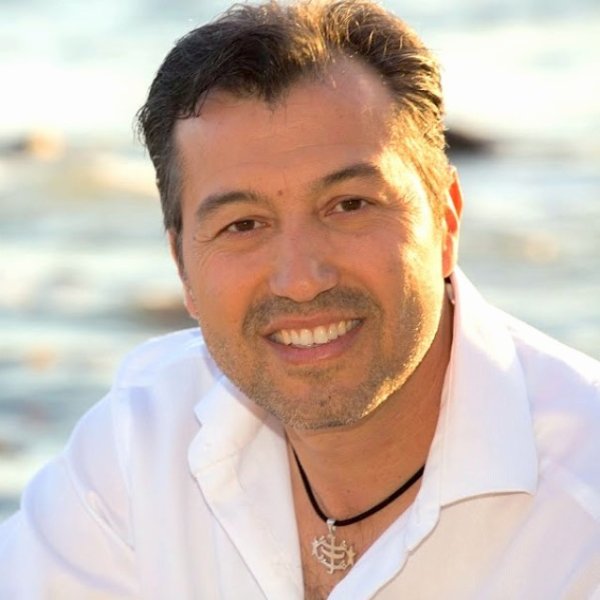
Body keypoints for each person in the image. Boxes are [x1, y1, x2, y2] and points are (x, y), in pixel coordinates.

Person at [1, 1, 599, 598]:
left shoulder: (582, 506)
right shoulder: (141, 444)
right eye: (243, 224)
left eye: (349, 206)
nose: (301, 280)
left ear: (446, 221)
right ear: (182, 265)